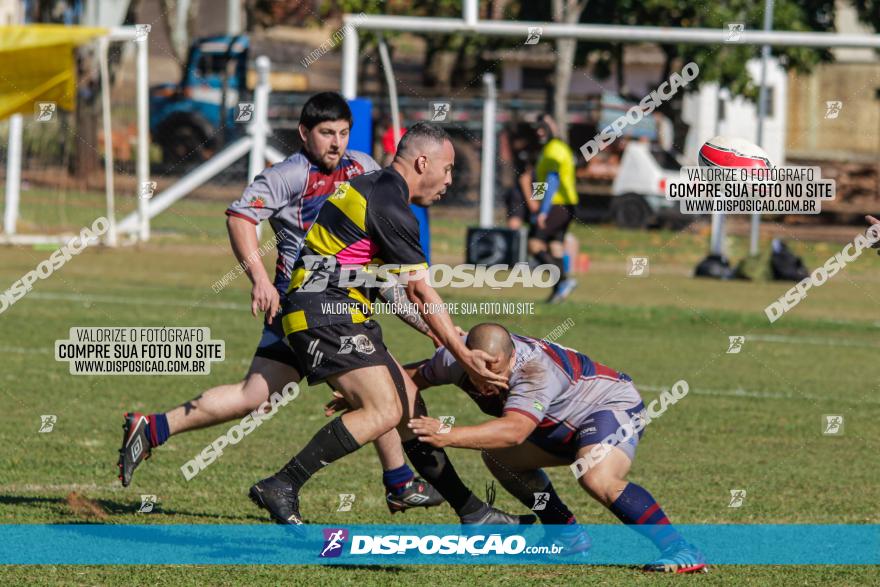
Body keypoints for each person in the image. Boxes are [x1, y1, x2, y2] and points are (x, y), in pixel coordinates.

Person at [117, 93, 443, 514]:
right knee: (377, 386)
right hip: (309, 303)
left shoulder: (364, 167)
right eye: (326, 133)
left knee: (254, 395)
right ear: (304, 134)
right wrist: (258, 279)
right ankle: (396, 481)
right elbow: (240, 217)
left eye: (343, 133)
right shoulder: (289, 174)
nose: (336, 143)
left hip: (338, 301)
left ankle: (155, 427)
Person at [248, 122, 535, 527]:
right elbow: (420, 291)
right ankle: (283, 484)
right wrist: (464, 356)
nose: (450, 180)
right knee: (384, 408)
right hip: (325, 312)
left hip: (335, 312)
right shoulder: (389, 202)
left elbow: (392, 291)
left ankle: (472, 512)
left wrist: (447, 336)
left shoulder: (376, 189)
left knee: (410, 403)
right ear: (422, 162)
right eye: (448, 168)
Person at [402, 323, 706, 573]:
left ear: (510, 359)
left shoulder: (535, 372)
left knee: (596, 477)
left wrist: (447, 433)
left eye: (496, 375)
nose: (486, 383)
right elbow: (407, 378)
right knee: (499, 457)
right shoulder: (454, 357)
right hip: (558, 423)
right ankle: (565, 534)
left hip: (609, 406)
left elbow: (514, 432)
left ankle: (681, 549)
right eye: (478, 374)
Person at [531, 114, 579, 303]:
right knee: (555, 246)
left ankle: (564, 281)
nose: (539, 132)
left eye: (543, 127)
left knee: (534, 244)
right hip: (565, 205)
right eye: (537, 128)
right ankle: (558, 292)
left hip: (557, 205)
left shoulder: (554, 150)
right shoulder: (553, 148)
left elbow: (552, 180)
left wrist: (543, 211)